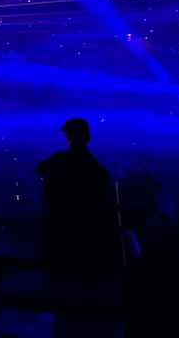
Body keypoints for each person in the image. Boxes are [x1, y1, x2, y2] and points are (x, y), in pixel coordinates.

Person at [35, 117, 115, 278]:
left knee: (57, 276)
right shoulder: (96, 168)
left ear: (69, 136)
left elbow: (40, 169)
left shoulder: (58, 160)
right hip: (85, 232)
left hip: (58, 228)